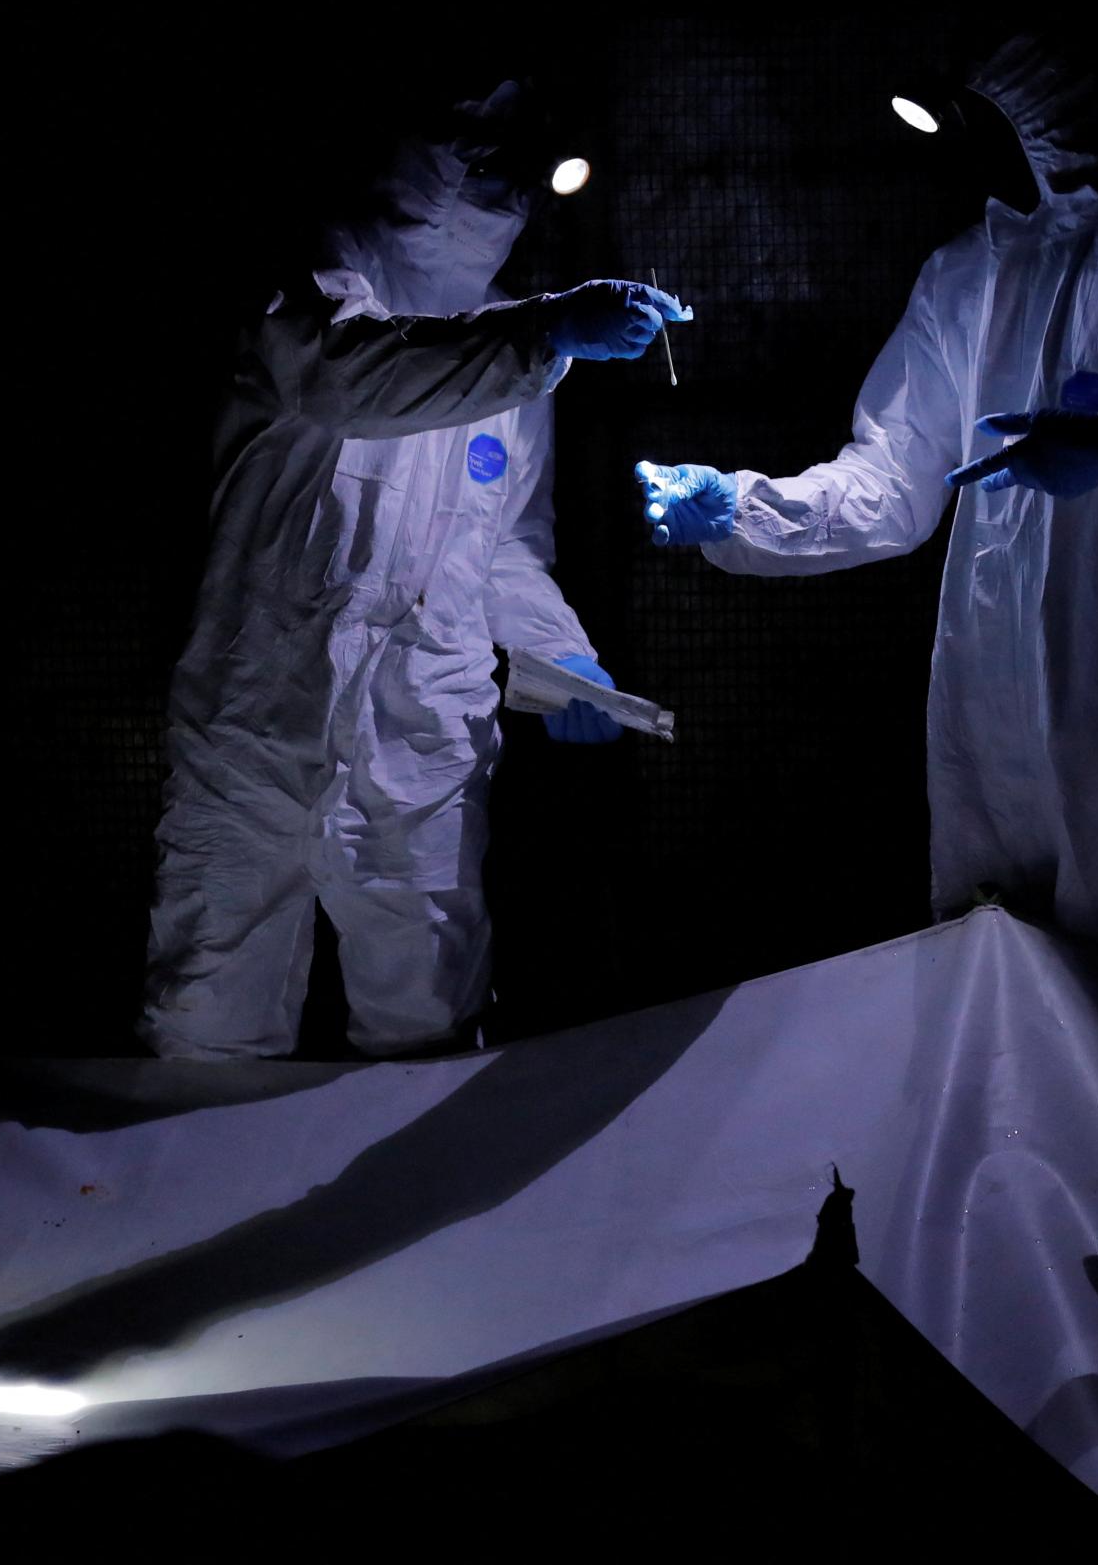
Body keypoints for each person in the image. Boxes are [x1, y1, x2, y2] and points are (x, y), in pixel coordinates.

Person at [636, 37, 1098, 970]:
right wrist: (742, 507)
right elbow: (890, 480)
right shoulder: (971, 274)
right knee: (1007, 1011)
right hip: (991, 731)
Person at [143, 86, 691, 1060]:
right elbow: (351, 379)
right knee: (208, 1017)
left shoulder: (515, 347)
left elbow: (503, 547)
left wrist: (565, 662)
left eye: (515, 167)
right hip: (257, 716)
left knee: (427, 1019)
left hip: (422, 728)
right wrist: (545, 334)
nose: (504, 187)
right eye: (478, 157)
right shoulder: (311, 286)